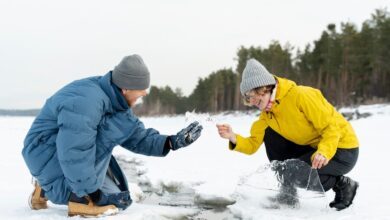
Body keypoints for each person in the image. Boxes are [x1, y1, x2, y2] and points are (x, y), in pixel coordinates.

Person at [22, 54, 203, 217]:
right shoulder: (88, 101)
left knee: (116, 198)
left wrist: (171, 142)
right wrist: (90, 195)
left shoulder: (116, 102)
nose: (145, 93)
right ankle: (77, 198)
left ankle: (45, 187)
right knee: (87, 193)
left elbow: (136, 136)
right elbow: (74, 149)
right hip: (44, 152)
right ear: (125, 88)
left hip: (61, 155)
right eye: (141, 89)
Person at [216, 58, 359, 211]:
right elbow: (252, 145)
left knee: (297, 173)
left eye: (252, 95)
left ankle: (342, 184)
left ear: (263, 87)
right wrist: (232, 136)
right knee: (271, 135)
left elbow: (331, 127)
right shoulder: (267, 115)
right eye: (248, 97)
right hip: (314, 149)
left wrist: (324, 152)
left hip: (341, 148)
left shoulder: (301, 95)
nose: (251, 101)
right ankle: (288, 193)